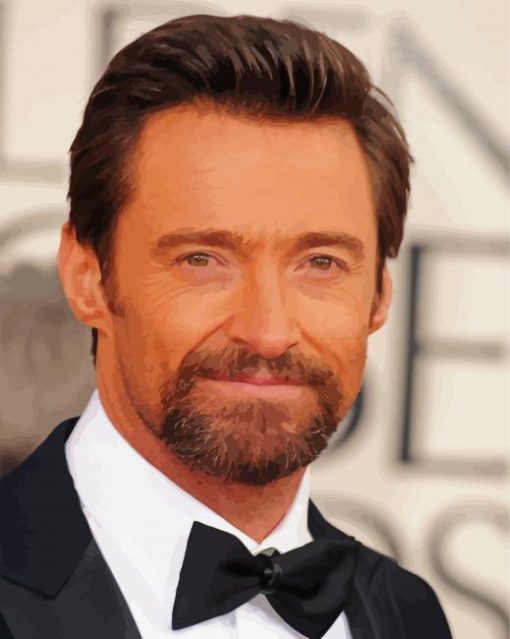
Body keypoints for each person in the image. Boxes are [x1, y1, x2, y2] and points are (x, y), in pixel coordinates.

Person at [0, 13, 453, 639]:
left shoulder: (409, 614)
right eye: (202, 259)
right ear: (88, 278)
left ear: (379, 296)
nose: (268, 331)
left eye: (321, 263)